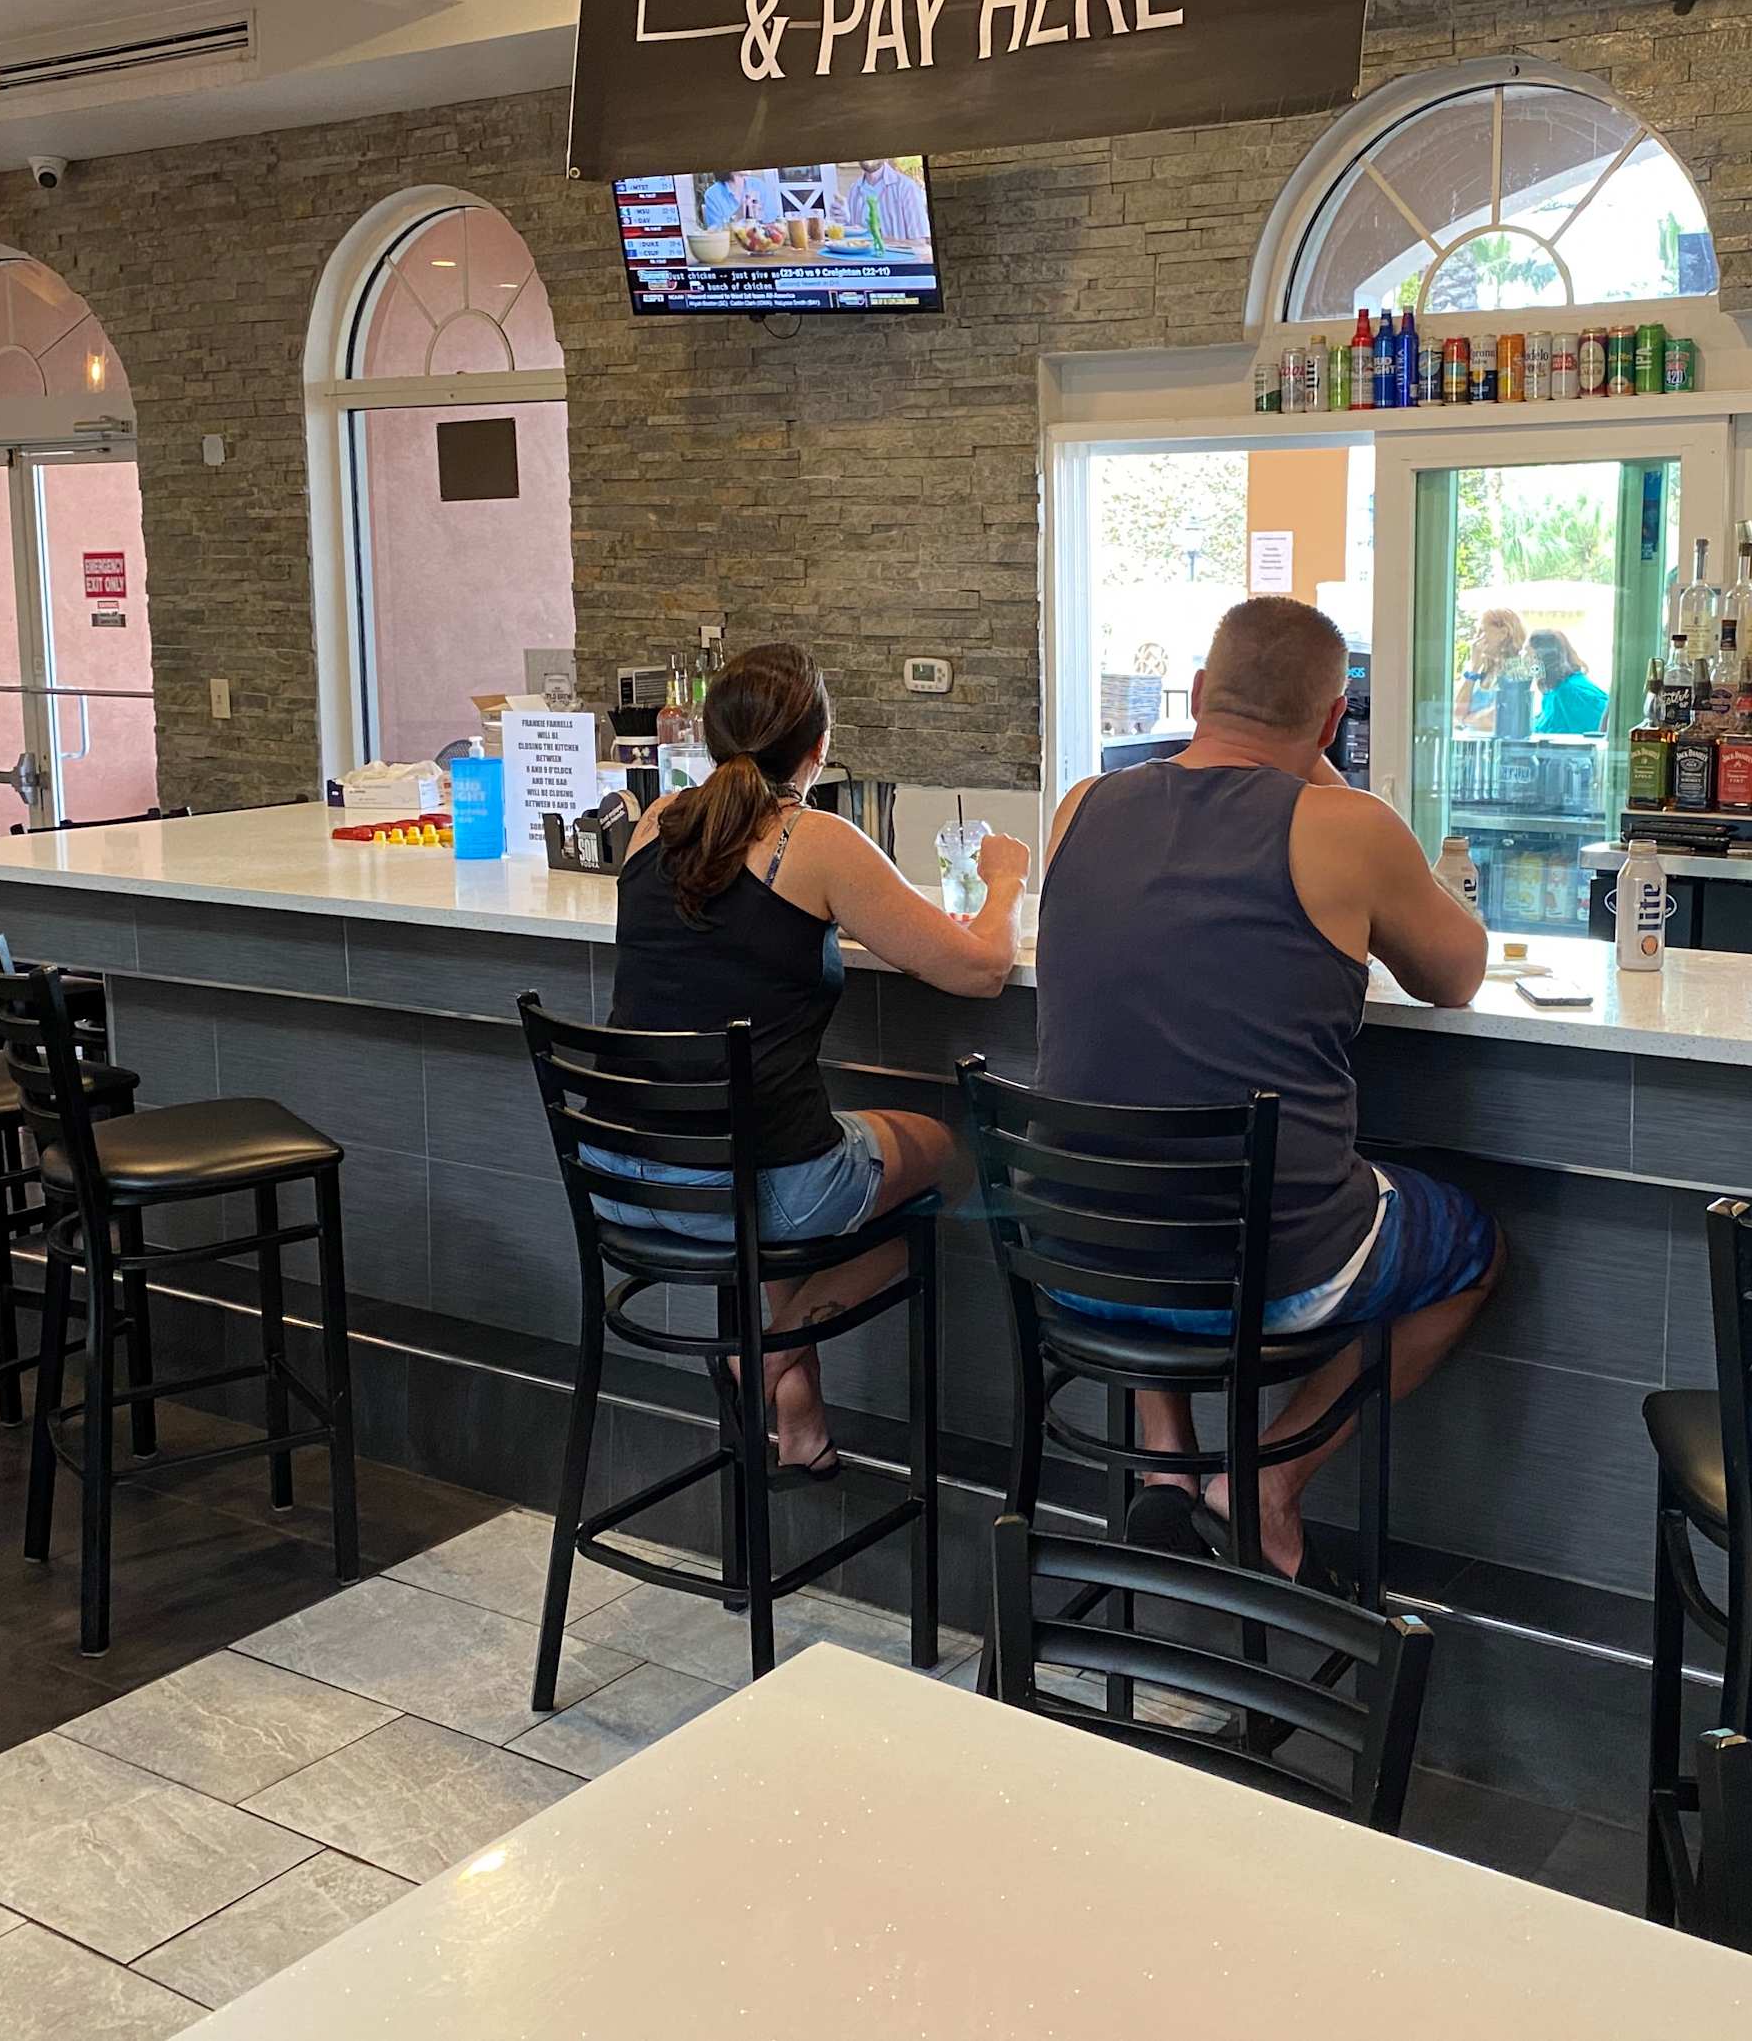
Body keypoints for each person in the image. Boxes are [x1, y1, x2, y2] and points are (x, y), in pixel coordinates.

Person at [1037, 596, 1502, 1591]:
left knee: (1147, 1144)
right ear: (1333, 721)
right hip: (1271, 1279)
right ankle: (1263, 1485)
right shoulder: (1349, 827)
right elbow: (1457, 975)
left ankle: (1167, 1463)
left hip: (1074, 1259)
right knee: (1474, 1248)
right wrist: (1322, 773)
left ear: (1198, 693)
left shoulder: (1080, 806)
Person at [588, 643, 1029, 1482]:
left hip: (619, 1174)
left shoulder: (655, 822)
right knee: (951, 1160)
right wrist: (1005, 881)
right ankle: (765, 1356)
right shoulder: (814, 841)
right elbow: (978, 970)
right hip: (747, 1187)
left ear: (709, 736)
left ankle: (801, 1420)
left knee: (782, 1154)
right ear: (819, 747)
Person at [1453, 607, 1528, 734]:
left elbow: (1499, 717)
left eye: (1481, 631)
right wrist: (1474, 669)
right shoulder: (1482, 669)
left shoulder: (1519, 669)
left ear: (1503, 633)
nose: (1476, 638)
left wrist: (1465, 720)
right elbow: (1457, 712)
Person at [1527, 627, 1610, 736]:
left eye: (1529, 657)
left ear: (1544, 659)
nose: (1526, 663)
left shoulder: (1571, 692)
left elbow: (1601, 731)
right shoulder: (1553, 692)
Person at [837, 158, 933, 250]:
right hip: (862, 261)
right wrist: (843, 221)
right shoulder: (854, 189)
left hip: (898, 261)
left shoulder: (906, 188)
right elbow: (854, 237)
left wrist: (879, 242)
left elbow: (920, 243)